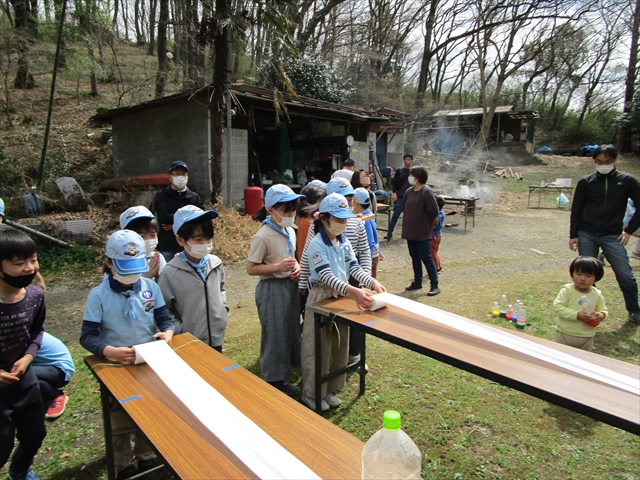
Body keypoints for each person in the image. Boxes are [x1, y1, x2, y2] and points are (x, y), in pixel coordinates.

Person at [80, 229, 174, 479]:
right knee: (119, 423)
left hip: (148, 360)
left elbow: (164, 319)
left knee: (150, 413)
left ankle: (147, 457)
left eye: (136, 267)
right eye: (125, 269)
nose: (132, 275)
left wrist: (168, 333)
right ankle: (123, 464)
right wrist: (110, 351)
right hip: (118, 367)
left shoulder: (150, 286)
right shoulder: (99, 296)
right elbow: (87, 336)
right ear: (109, 262)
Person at [300, 193, 386, 411]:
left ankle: (328, 389)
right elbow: (327, 276)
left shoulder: (344, 241)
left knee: (338, 346)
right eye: (338, 219)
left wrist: (372, 282)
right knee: (317, 348)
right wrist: (355, 292)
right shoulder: (317, 244)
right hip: (321, 298)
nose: (343, 223)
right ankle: (311, 393)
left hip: (341, 298)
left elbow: (354, 268)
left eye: (345, 219)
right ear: (325, 219)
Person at [569, 145, 640, 325]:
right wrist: (573, 234)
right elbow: (576, 209)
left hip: (612, 235)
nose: (604, 165)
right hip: (586, 233)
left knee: (625, 274)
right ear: (594, 162)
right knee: (586, 275)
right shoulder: (586, 181)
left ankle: (634, 310)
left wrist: (629, 230)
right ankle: (588, 310)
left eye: (608, 162)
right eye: (600, 162)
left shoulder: (627, 181)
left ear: (615, 160)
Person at [247, 185, 305, 395]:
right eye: (286, 211)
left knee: (290, 327)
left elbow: (292, 256)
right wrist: (277, 268)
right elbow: (251, 268)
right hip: (271, 288)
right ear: (270, 210)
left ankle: (289, 367)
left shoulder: (289, 229)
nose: (291, 215)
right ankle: (275, 379)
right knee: (275, 333)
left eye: (293, 210)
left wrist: (296, 267)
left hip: (289, 285)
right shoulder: (262, 236)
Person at [0, 230, 47, 480]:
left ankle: (20, 470)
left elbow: (37, 331)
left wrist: (29, 357)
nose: (29, 268)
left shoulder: (34, 297)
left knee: (35, 433)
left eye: (33, 260)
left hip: (24, 380)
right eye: (19, 263)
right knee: (2, 443)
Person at [158, 205, 228, 351]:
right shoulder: (170, 273)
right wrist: (179, 329)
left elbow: (221, 289)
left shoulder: (215, 263)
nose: (205, 244)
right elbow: (164, 309)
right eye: (198, 239)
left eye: (208, 238)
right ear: (180, 240)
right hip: (188, 341)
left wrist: (223, 310)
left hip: (216, 337)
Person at [553, 256, 607, 351]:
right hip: (565, 333)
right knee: (561, 358)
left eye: (588, 276)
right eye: (578, 274)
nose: (582, 278)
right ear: (572, 274)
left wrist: (600, 315)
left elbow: (603, 310)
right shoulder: (567, 291)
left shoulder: (596, 294)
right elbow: (558, 307)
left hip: (586, 336)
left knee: (582, 360)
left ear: (596, 278)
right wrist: (577, 315)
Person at [154, 161, 204, 263]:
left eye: (183, 174)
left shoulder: (194, 197)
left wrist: (174, 225)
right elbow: (164, 217)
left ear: (187, 176)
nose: (180, 176)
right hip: (167, 245)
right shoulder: (162, 196)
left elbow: (201, 218)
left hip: (190, 245)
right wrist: (189, 220)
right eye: (177, 174)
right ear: (170, 177)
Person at [402, 165, 440, 296]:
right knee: (414, 257)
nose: (410, 177)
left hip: (422, 231)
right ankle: (417, 281)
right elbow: (405, 207)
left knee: (426, 257)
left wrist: (427, 222)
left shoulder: (427, 191)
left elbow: (434, 210)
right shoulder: (409, 191)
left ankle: (434, 284)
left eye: (412, 175)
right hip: (410, 231)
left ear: (417, 177)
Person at [32, 332, 75, 420]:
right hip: (44, 367)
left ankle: (54, 395)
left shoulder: (23, 335)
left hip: (60, 370)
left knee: (19, 374)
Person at [120, 206, 166, 281]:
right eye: (141, 236)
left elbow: (166, 288)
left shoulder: (157, 258)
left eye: (153, 235)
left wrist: (157, 276)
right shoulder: (120, 262)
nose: (148, 240)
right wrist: (145, 278)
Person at [353, 188, 383, 278]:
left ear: (356, 203)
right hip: (373, 254)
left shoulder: (364, 219)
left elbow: (369, 241)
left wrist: (368, 263)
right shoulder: (369, 214)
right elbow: (375, 235)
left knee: (368, 283)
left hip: (369, 257)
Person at [386, 153, 414, 240]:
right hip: (400, 196)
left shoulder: (414, 172)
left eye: (409, 159)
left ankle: (408, 234)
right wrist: (394, 193)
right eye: (406, 159)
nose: (407, 161)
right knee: (395, 215)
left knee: (410, 217)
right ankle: (389, 233)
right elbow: (394, 183)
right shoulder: (399, 171)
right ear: (403, 160)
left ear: (412, 161)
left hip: (411, 197)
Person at [431, 196, 446, 273]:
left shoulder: (436, 215)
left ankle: (436, 268)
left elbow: (434, 225)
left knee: (432, 252)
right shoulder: (442, 213)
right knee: (435, 251)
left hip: (434, 235)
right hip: (439, 234)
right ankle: (439, 266)